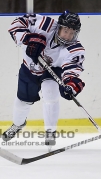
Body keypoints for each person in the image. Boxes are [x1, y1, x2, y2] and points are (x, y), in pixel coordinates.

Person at [2, 10, 85, 146]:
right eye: (66, 30)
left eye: (72, 32)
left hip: (52, 71)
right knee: (22, 103)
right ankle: (18, 124)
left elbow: (72, 68)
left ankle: (50, 133)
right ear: (58, 27)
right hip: (29, 69)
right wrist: (28, 39)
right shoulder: (44, 24)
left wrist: (70, 84)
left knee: (50, 94)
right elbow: (16, 24)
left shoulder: (75, 48)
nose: (69, 36)